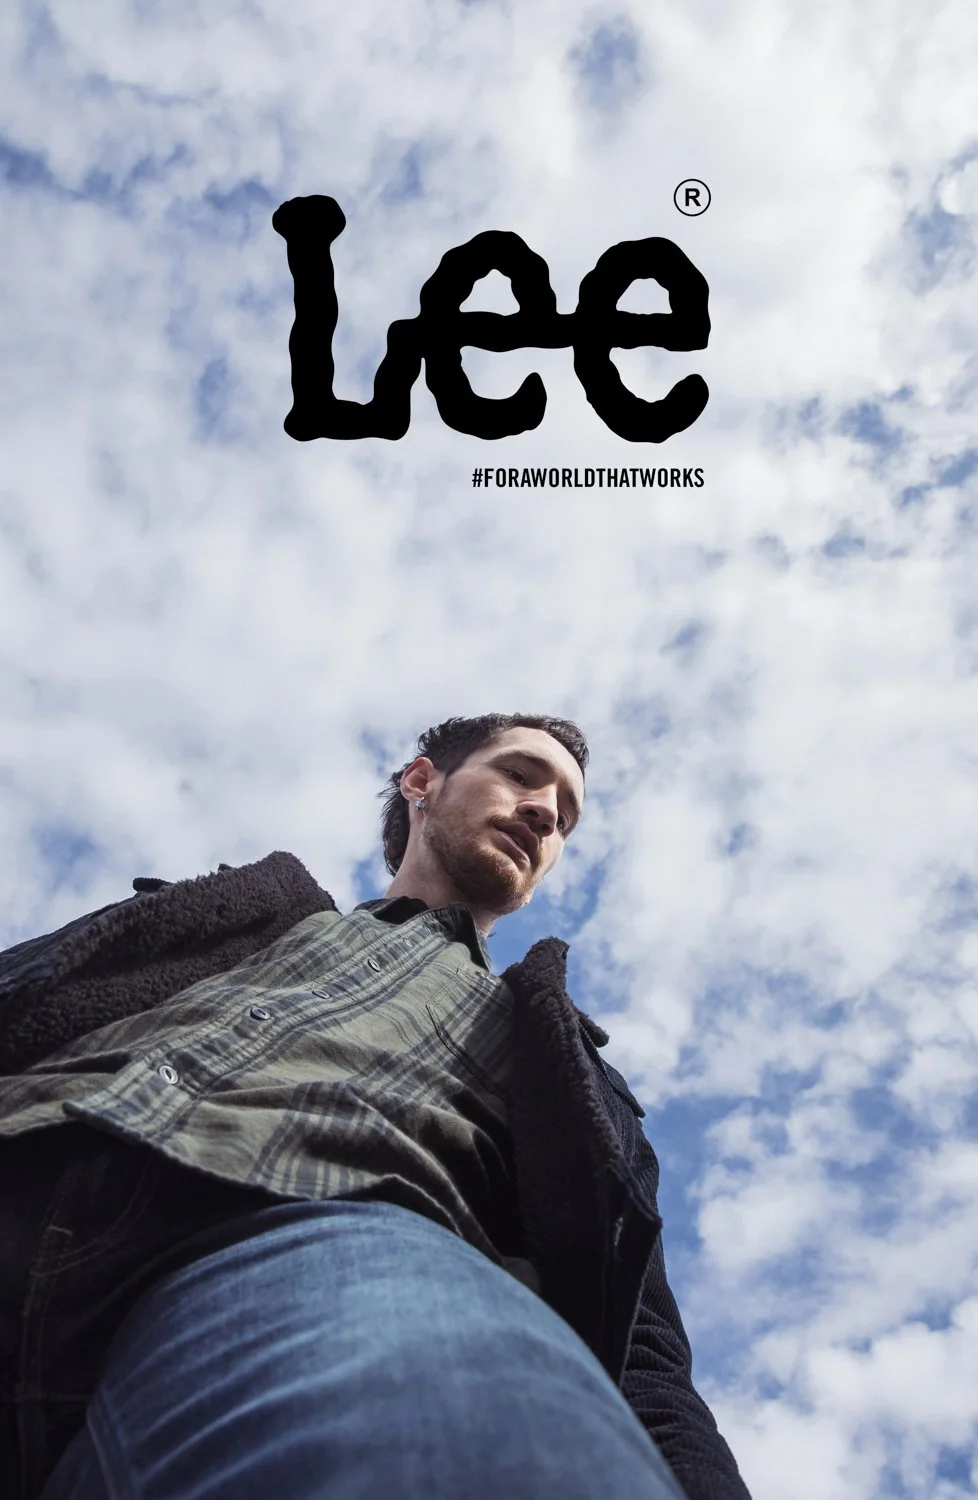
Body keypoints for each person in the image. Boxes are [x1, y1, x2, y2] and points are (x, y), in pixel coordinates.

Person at [0, 713, 752, 1500]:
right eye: (524, 776)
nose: (543, 814)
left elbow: (648, 1355)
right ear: (422, 781)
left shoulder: (561, 1064)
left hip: (321, 1259)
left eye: (565, 816)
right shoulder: (236, 913)